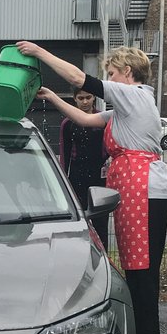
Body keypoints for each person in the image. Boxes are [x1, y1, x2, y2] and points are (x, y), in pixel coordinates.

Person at [18, 41, 167, 334]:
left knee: (143, 271)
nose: (110, 80)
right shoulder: (125, 110)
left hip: (144, 189)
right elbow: (87, 120)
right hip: (136, 189)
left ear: (127, 74)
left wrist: (40, 53)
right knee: (137, 268)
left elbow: (78, 78)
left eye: (113, 73)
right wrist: (54, 98)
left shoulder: (135, 96)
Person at [59, 88, 110, 245]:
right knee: (79, 223)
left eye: (88, 97)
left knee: (101, 225)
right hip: (77, 177)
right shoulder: (68, 123)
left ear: (94, 97)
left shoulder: (103, 119)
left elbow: (110, 147)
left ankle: (104, 259)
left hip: (100, 178)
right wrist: (63, 181)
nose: (85, 101)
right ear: (75, 99)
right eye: (81, 98)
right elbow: (64, 154)